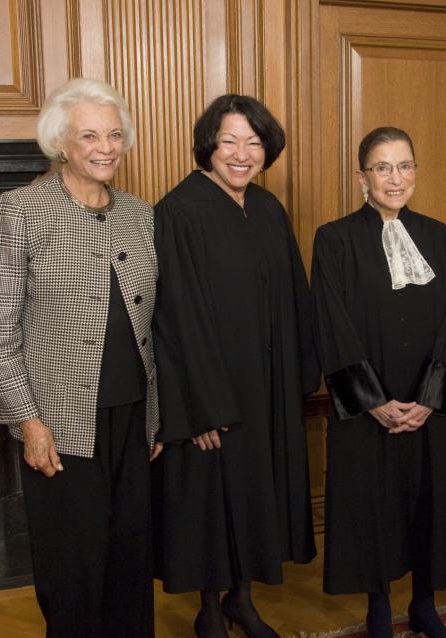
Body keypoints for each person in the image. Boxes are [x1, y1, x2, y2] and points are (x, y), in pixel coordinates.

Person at [0, 78, 161, 638]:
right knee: (73, 568)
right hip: (59, 424)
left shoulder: (138, 213)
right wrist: (27, 423)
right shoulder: (21, 211)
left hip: (133, 416)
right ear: (62, 142)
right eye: (90, 135)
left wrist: (159, 416)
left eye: (114, 134)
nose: (106, 146)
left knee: (132, 562)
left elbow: (156, 324)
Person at [151, 94, 319, 638]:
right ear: (209, 146)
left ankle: (241, 599)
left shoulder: (268, 208)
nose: (243, 153)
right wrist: (199, 408)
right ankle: (208, 608)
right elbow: (174, 316)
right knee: (210, 499)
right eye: (230, 141)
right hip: (212, 390)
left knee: (254, 492)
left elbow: (295, 294)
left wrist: (299, 375)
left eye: (254, 142)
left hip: (265, 384)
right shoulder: (178, 211)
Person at [311, 127, 446, 638]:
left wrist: (431, 399)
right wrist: (373, 401)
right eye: (382, 167)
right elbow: (331, 324)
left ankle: (424, 604)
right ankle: (379, 606)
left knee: (428, 501)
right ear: (362, 177)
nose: (394, 178)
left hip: (428, 404)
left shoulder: (444, 239)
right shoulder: (334, 239)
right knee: (370, 504)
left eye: (404, 166)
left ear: (416, 172)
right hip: (367, 408)